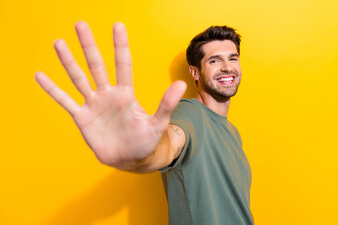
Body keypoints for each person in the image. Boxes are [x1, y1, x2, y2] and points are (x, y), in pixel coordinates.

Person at [35, 21, 254, 225]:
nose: (227, 67)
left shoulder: (233, 132)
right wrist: (140, 156)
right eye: (215, 60)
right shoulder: (189, 114)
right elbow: (169, 145)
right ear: (195, 72)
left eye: (233, 58)